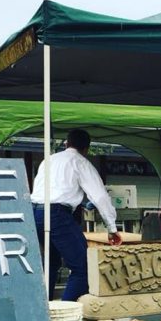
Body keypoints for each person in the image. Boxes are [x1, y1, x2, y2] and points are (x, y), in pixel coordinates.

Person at [31, 128, 122, 301]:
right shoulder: (80, 162)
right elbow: (100, 196)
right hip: (57, 214)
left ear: (66, 143)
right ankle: (66, 313)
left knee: (50, 264)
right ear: (87, 149)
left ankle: (43, 312)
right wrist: (111, 228)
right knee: (83, 268)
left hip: (35, 212)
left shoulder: (49, 160)